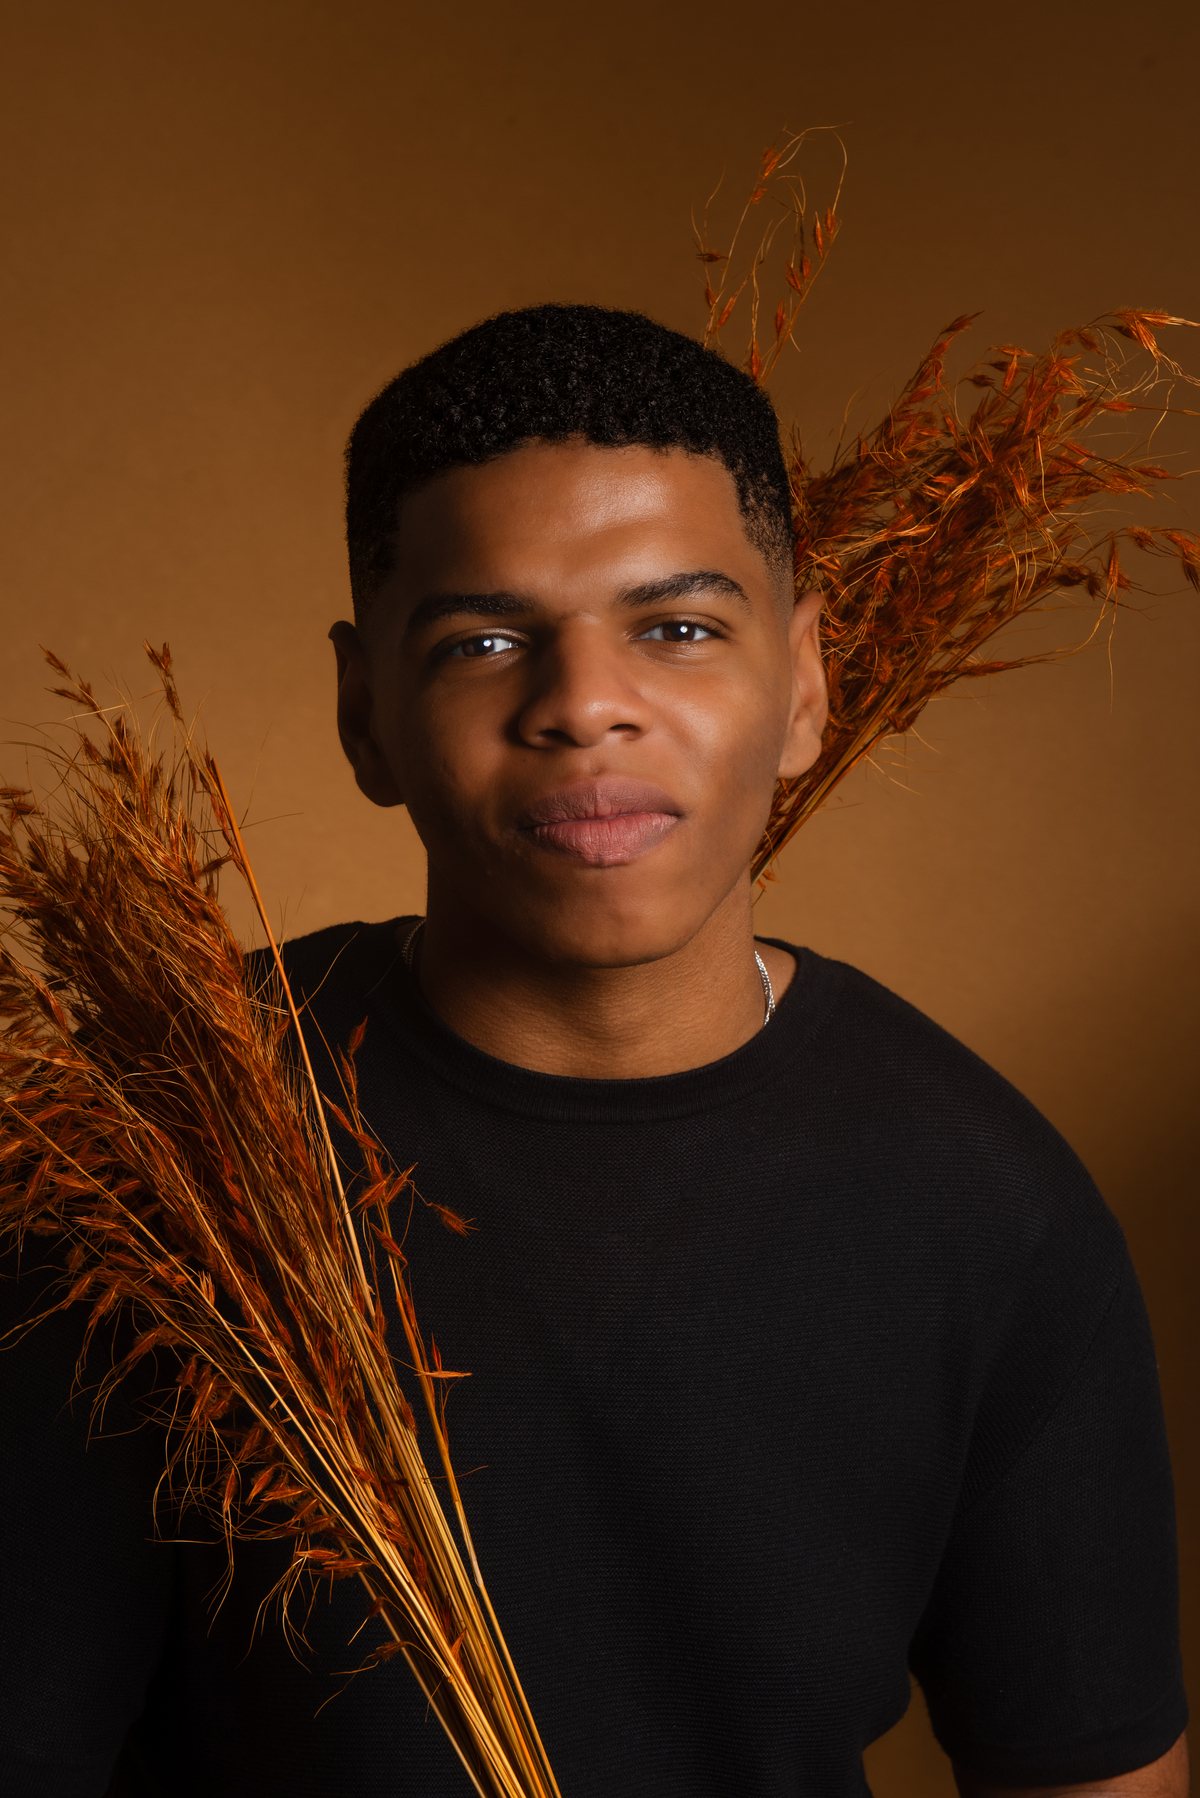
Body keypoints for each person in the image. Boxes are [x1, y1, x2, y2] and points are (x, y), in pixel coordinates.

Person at [0, 304, 1188, 1796]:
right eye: (485, 641)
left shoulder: (990, 1207)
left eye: (677, 628)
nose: (583, 706)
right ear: (365, 711)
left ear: (805, 683)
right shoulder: (153, 1150)